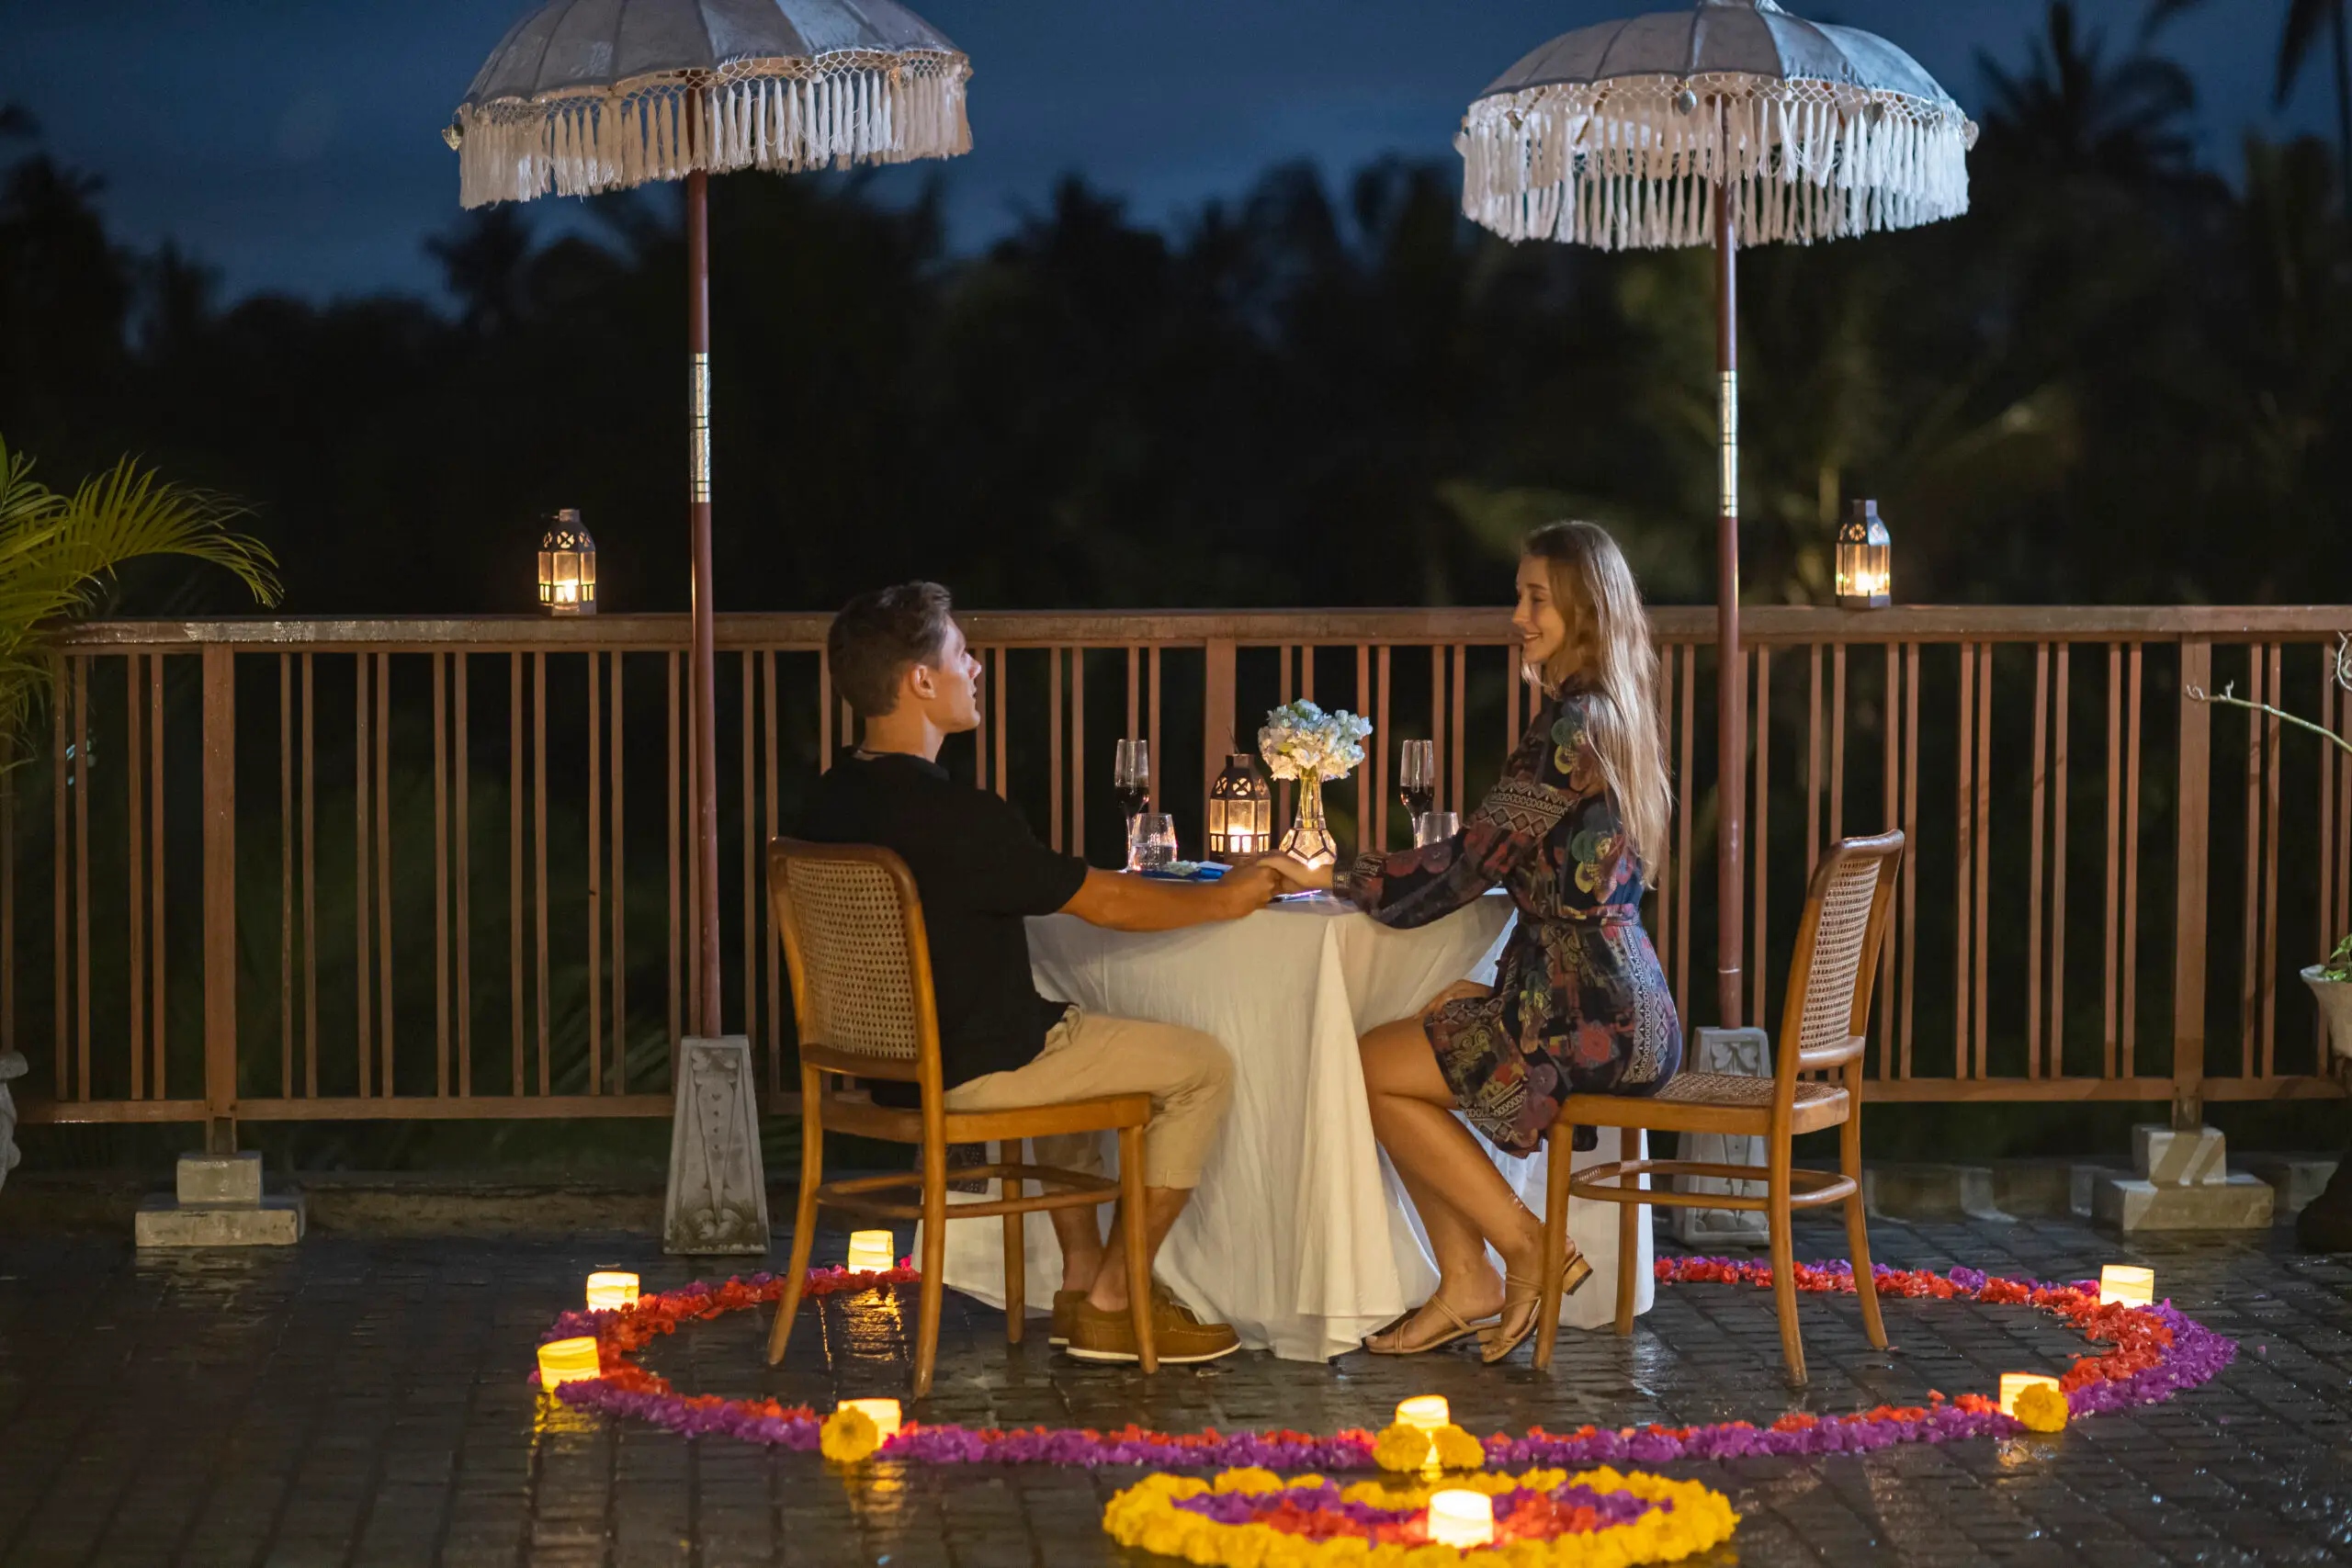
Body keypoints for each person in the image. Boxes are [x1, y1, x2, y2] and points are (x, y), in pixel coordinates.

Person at [803, 581, 1286, 1366]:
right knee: (1203, 1067)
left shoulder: (825, 803)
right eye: (962, 654)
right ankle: (1119, 1298)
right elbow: (1106, 901)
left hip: (887, 1074)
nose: (976, 668)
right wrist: (1228, 897)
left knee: (1065, 1032)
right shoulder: (960, 819)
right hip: (978, 1068)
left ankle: (1082, 1282)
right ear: (921, 679)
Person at [1271, 521, 1682, 1363]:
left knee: (1369, 1066)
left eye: (1536, 598)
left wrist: (1334, 875)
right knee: (1424, 1032)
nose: (1518, 616)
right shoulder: (1619, 713)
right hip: (1636, 1010)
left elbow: (1469, 863)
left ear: (1583, 608)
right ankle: (1469, 1279)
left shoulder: (1572, 727)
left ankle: (1520, 1248)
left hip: (1582, 1015)